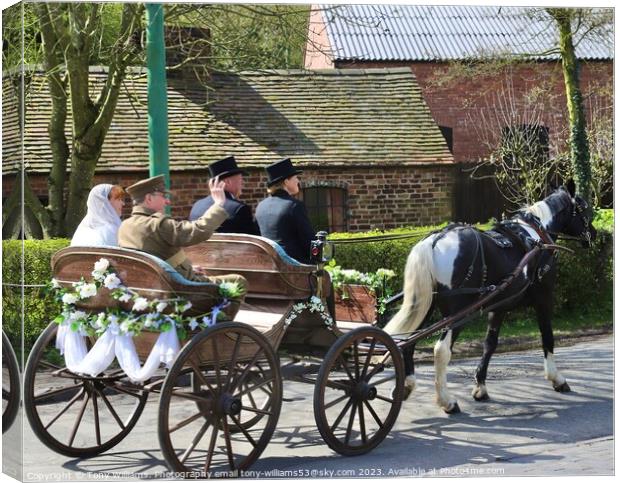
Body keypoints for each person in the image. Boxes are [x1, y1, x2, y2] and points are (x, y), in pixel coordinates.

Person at [118, 175, 247, 316]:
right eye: (163, 196)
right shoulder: (157, 224)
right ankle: (223, 330)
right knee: (238, 281)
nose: (167, 201)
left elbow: (158, 255)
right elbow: (197, 231)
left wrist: (186, 268)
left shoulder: (125, 226)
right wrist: (218, 204)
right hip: (181, 292)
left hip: (151, 291)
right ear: (149, 198)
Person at [255, 158, 316, 264]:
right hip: (294, 268)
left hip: (269, 264)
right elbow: (309, 243)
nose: (298, 181)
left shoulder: (261, 206)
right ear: (286, 181)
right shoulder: (294, 206)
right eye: (295, 177)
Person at [189, 155, 259, 235]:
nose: (242, 183)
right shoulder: (239, 209)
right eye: (240, 179)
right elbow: (253, 243)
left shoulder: (197, 206)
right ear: (228, 182)